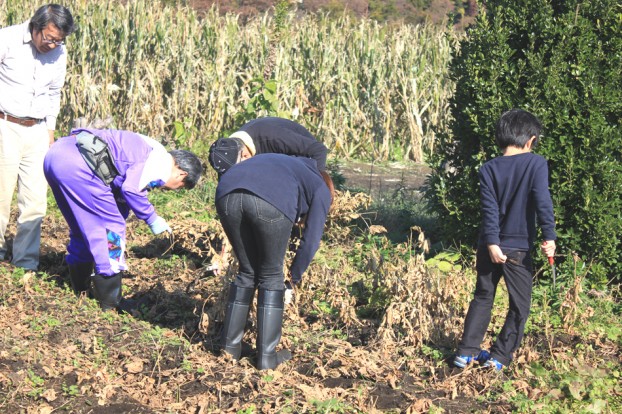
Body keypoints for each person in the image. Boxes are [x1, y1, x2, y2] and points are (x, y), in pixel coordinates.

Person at [44, 128, 203, 311]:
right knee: (112, 228)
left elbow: (118, 188)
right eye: (180, 187)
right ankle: (111, 303)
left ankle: (81, 290)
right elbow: (131, 189)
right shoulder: (161, 162)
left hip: (56, 155)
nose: (173, 190)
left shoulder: (147, 147)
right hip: (79, 165)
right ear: (181, 174)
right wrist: (152, 218)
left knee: (83, 228)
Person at [208, 139, 331, 370]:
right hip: (271, 201)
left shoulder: (286, 164)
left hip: (226, 193)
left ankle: (230, 349)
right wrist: (291, 280)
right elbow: (311, 240)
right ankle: (266, 358)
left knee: (247, 271)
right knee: (272, 275)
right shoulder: (321, 188)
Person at [453, 109, 556, 371]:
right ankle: (499, 357)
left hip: (489, 245)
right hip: (518, 249)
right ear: (531, 140)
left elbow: (489, 209)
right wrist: (549, 236)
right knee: (520, 306)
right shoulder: (536, 163)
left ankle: (465, 353)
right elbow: (543, 202)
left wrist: (491, 243)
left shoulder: (488, 168)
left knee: (483, 297)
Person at [0, 4, 75, 271]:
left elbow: (54, 94)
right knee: (1, 195)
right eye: (49, 38)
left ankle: (25, 263)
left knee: (34, 201)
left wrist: (50, 136)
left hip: (38, 130)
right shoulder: (6, 39)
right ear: (36, 26)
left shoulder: (59, 53)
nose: (53, 45)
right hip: (5, 125)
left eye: (59, 40)